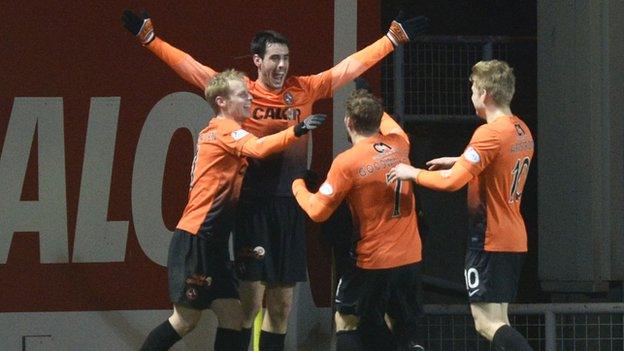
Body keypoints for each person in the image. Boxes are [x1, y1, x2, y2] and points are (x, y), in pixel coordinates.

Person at [122, 9, 428, 351]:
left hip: (291, 207)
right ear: (257, 60)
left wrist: (391, 40)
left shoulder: (304, 89)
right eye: (274, 59)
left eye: (286, 58)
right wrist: (151, 40)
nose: (282, 66)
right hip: (252, 209)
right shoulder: (244, 95)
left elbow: (348, 68)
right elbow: (193, 69)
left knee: (281, 306)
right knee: (248, 306)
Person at [139, 69, 325, 351]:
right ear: (222, 102)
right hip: (196, 239)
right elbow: (260, 148)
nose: (249, 98)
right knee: (185, 320)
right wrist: (296, 130)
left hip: (212, 244)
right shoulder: (224, 130)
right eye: (242, 94)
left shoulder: (223, 133)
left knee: (234, 316)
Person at [387, 60, 534, 351]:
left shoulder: (488, 134)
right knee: (500, 319)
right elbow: (500, 163)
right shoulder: (520, 129)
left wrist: (412, 173)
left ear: (485, 93)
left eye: (472, 89)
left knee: (485, 323)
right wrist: (462, 160)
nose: (471, 96)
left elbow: (451, 183)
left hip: (489, 238)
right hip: (513, 236)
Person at [292, 89, 424, 351]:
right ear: (378, 121)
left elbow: (318, 211)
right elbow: (388, 123)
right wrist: (373, 105)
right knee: (395, 323)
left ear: (348, 122)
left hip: (373, 260)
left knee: (347, 321)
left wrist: (297, 185)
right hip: (410, 258)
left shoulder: (347, 162)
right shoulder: (400, 144)